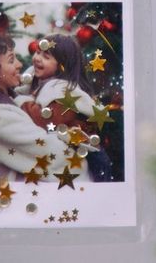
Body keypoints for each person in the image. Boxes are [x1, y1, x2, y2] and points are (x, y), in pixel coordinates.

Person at [0, 34, 75, 182]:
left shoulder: (4, 100)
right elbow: (53, 154)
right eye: (11, 60)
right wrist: (74, 140)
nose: (19, 64)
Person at [17, 34, 113, 181]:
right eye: (37, 52)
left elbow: (42, 120)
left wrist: (20, 101)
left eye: (46, 57)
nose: (37, 58)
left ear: (62, 66)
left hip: (73, 166)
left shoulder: (62, 92)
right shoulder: (39, 82)